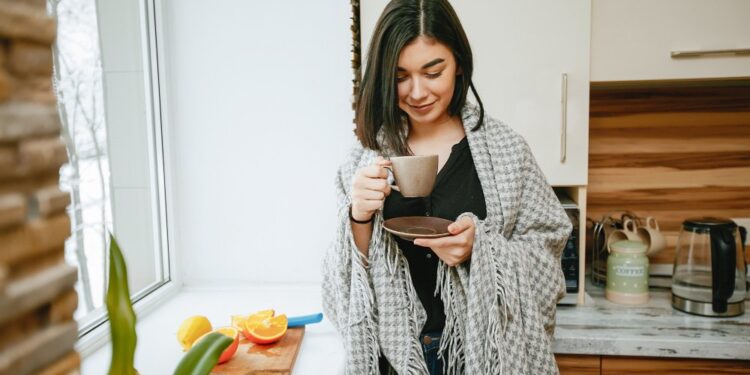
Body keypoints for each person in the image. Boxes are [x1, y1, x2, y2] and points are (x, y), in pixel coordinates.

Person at [322, 1, 572, 374]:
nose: (417, 92)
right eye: (400, 75)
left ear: (458, 63)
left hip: (484, 356)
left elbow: (548, 255)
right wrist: (358, 216)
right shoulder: (364, 157)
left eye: (433, 71)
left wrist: (480, 249)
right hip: (393, 361)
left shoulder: (507, 151)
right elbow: (340, 287)